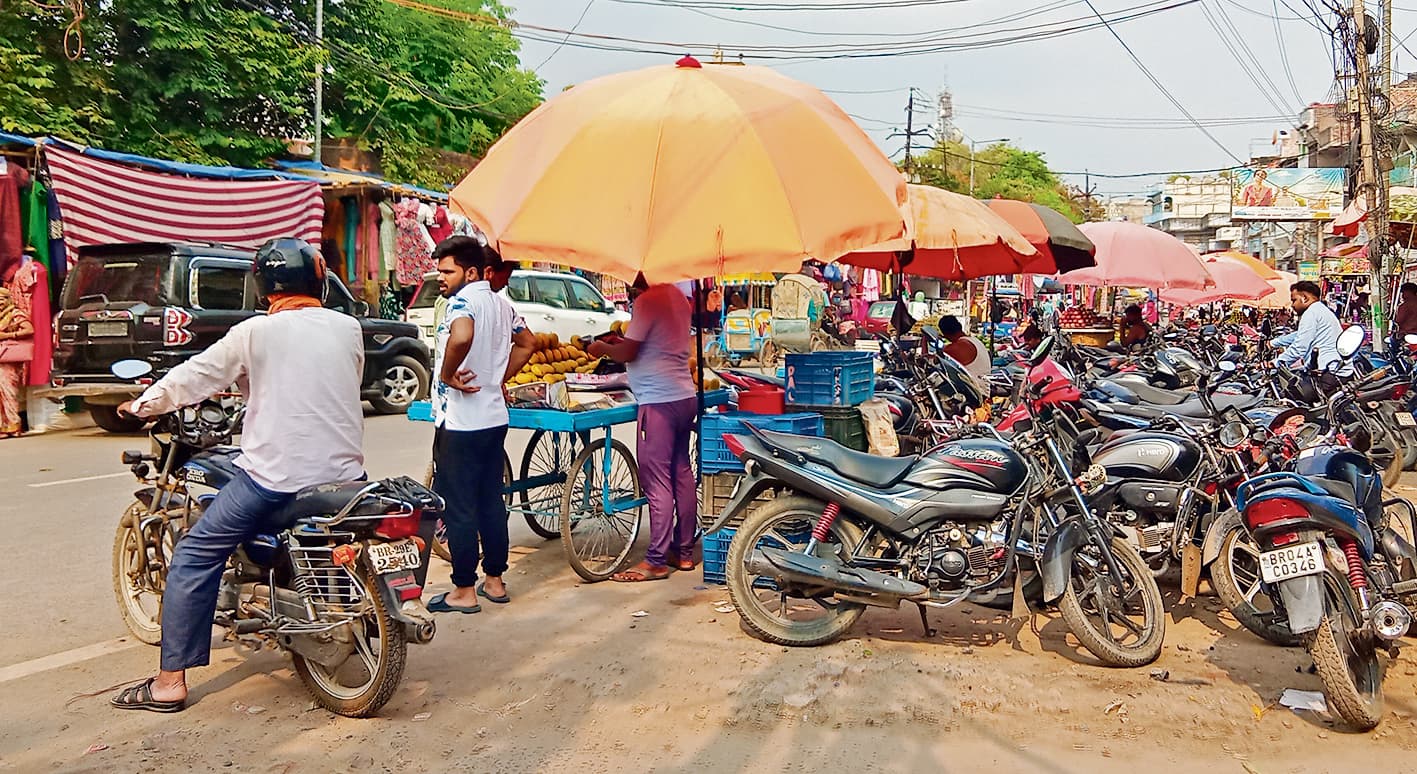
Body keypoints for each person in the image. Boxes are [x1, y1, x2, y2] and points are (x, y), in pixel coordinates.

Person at [110, 238, 365, 713]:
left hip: (276, 479)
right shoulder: (348, 328)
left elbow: (195, 376)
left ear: (264, 285)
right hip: (346, 476)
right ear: (319, 278)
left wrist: (141, 406)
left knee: (194, 554)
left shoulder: (254, 334)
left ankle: (168, 684)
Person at [427, 237, 535, 614]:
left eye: (447, 271)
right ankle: (495, 580)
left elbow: (462, 336)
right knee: (490, 500)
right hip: (493, 419)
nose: (440, 278)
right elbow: (528, 344)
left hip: (460, 423)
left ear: (470, 272)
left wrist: (446, 374)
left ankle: (463, 588)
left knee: (458, 506)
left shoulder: (462, 301)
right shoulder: (502, 305)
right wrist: (497, 378)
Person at [589, 273, 698, 582]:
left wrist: (603, 349)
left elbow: (628, 353)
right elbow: (654, 342)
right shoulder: (677, 297)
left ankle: (656, 560)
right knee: (681, 472)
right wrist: (620, 343)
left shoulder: (647, 301)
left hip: (658, 401)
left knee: (657, 479)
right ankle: (684, 551)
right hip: (683, 395)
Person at [1274, 280, 1345, 385]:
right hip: (1335, 369)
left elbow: (1300, 347)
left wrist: (1276, 363)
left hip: (1327, 373)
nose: (1292, 305)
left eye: (1294, 300)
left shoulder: (1311, 313)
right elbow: (1299, 335)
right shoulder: (1320, 310)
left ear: (1305, 298)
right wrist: (1276, 342)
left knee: (1291, 394)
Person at [0, 287, 34, 438]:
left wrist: (8, 335)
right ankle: (3, 426)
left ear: (8, 300)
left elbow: (29, 329)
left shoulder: (15, 313)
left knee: (8, 392)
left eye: (2, 300)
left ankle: (14, 425)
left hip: (9, 359)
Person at [938, 315, 991, 389]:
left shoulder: (957, 347)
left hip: (976, 393)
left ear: (945, 334)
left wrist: (924, 340)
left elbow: (934, 362)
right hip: (981, 387)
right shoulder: (974, 341)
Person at [1394, 282, 1417, 348]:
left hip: (1407, 336)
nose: (1402, 295)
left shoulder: (1405, 306)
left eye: (1403, 292)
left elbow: (1398, 321)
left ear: (1408, 292)